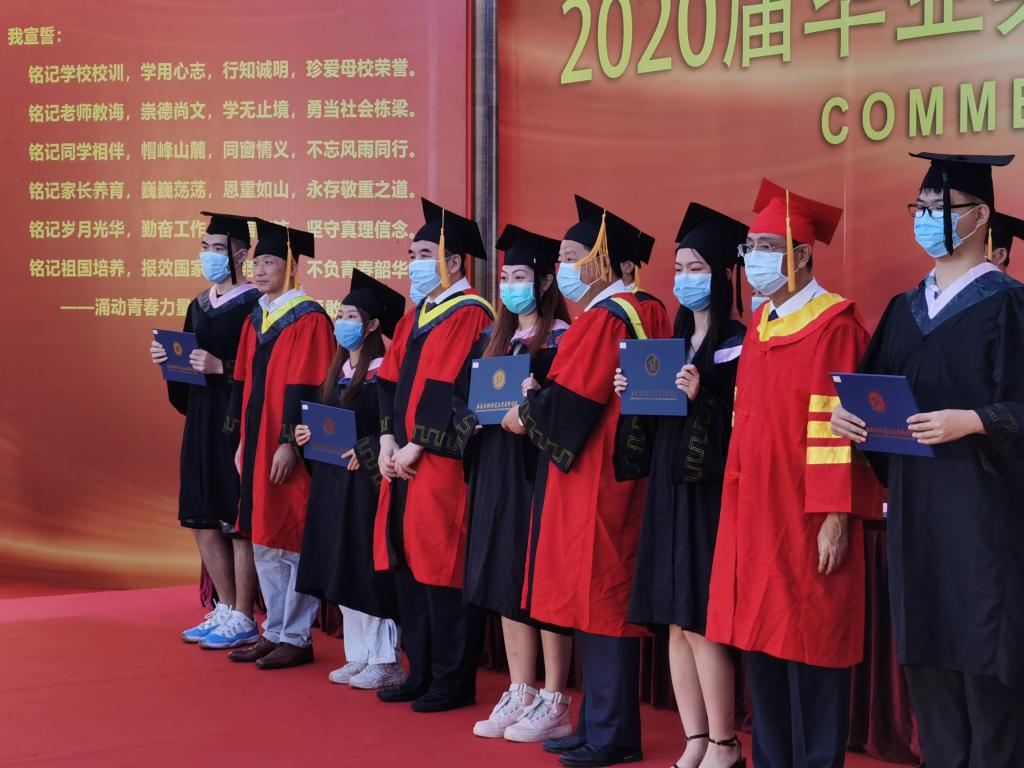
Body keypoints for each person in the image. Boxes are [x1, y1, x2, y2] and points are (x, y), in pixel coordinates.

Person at [832, 153, 1024, 768]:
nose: (927, 218)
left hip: (985, 519)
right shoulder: (903, 310)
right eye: (920, 207)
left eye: (941, 208)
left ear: (980, 216)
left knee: (986, 666)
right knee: (927, 660)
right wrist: (850, 422)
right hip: (916, 514)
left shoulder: (1009, 305)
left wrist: (975, 420)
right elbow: (875, 398)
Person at [705, 180, 883, 768]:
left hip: (805, 518)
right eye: (750, 248)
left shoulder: (835, 326)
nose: (753, 258)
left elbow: (838, 430)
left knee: (813, 649)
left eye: (766, 247)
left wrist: (835, 516)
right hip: (755, 515)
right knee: (763, 649)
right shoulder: (761, 323)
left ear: (801, 255)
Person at [518, 197, 672, 768]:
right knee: (595, 598)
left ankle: (612, 734)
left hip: (597, 476)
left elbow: (575, 400)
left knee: (602, 597)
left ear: (605, 262)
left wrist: (528, 408)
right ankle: (594, 725)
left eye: (570, 256)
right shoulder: (648, 309)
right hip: (614, 470)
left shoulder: (609, 317)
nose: (562, 267)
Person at [620, 204, 748, 768]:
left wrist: (705, 397)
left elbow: (745, 424)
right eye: (679, 269)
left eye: (697, 268)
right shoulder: (669, 340)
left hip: (707, 496)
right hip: (668, 493)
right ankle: (695, 737)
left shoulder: (739, 342)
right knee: (672, 620)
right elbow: (649, 428)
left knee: (699, 620)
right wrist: (632, 393)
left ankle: (725, 741)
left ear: (721, 276)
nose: (685, 279)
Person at [372, 200, 495, 712]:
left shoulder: (472, 313)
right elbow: (387, 383)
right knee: (408, 568)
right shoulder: (414, 316)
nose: (415, 263)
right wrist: (386, 441)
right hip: (401, 462)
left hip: (440, 464)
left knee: (441, 569)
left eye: (425, 254)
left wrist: (416, 444)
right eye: (412, 255)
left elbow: (454, 388)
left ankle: (452, 681)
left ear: (456, 262)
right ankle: (418, 671)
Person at [463, 225, 575, 742]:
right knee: (505, 575)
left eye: (520, 277)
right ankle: (520, 688)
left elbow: (571, 407)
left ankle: (555, 696)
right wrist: (473, 417)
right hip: (496, 467)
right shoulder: (493, 340)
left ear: (546, 281)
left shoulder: (563, 339)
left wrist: (537, 398)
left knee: (540, 578)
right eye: (505, 278)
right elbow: (465, 400)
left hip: (537, 470)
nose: (510, 286)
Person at [224, 219, 335, 669]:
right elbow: (242, 381)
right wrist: (241, 439)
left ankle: (296, 635)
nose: (258, 270)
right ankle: (274, 629)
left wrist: (289, 442)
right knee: (263, 535)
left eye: (269, 262)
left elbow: (308, 387)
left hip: (289, 448)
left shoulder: (309, 318)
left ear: (291, 266)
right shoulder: (257, 316)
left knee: (290, 534)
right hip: (257, 443)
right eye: (256, 263)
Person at [149, 211, 261, 648]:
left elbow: (263, 371)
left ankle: (245, 614)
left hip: (235, 423)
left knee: (235, 519)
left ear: (241, 255)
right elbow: (185, 381)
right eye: (205, 247)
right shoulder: (198, 304)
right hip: (201, 420)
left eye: (218, 248)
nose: (209, 255)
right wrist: (170, 363)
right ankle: (226, 607)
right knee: (202, 515)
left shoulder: (255, 306)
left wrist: (222, 367)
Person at [295, 269, 407, 690]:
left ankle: (385, 659)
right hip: (333, 482)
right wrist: (305, 435)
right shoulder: (337, 369)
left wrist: (367, 448)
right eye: (339, 315)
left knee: (364, 567)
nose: (341, 323)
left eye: (350, 316)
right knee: (339, 564)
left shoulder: (384, 372)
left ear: (372, 324)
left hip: (367, 487)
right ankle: (358, 655)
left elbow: (392, 425)